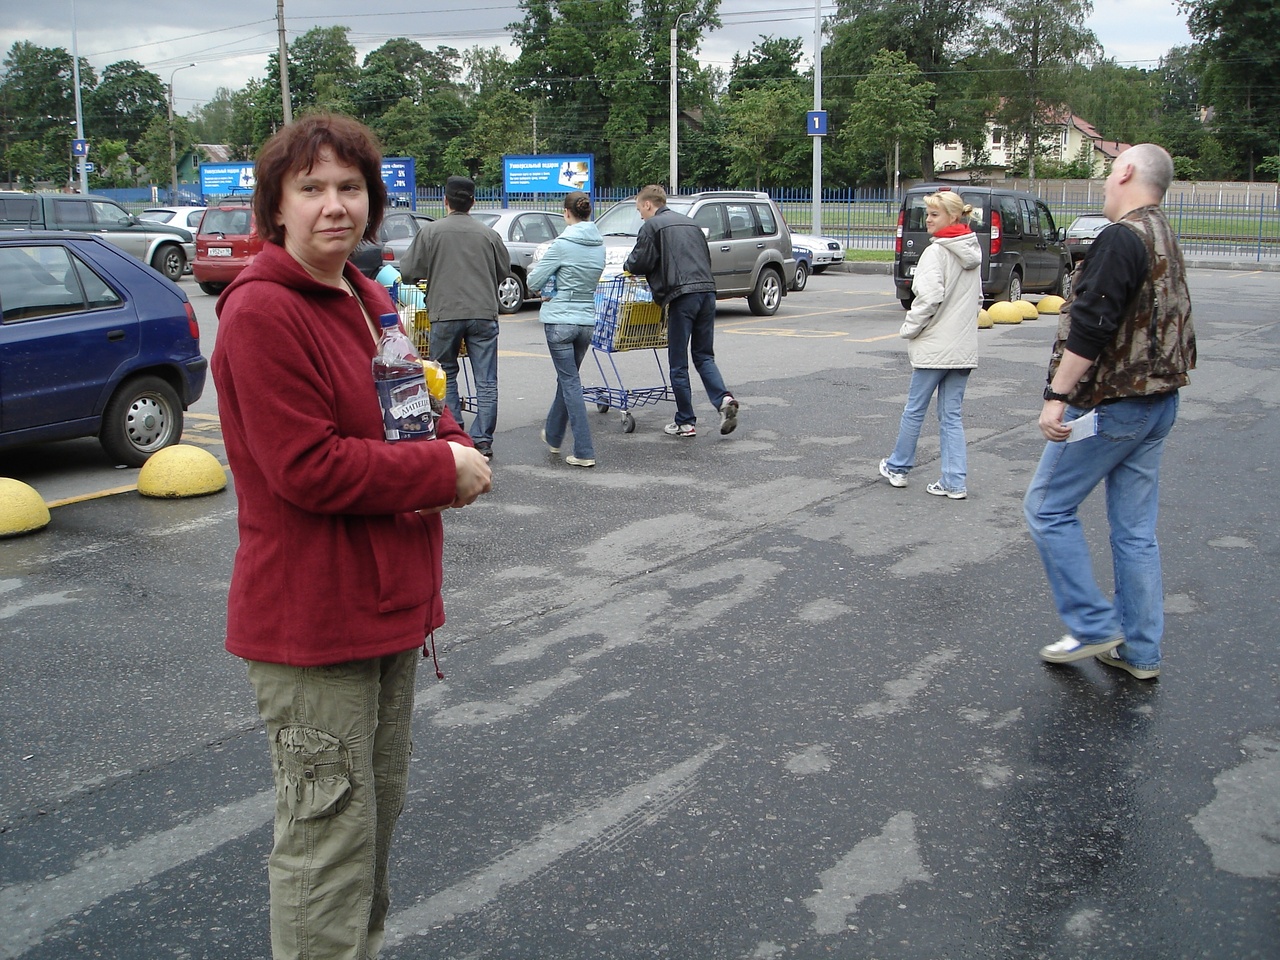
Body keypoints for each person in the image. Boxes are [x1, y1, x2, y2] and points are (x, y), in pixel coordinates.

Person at [210, 113, 492, 960]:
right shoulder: (262, 312)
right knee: (327, 841)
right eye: (311, 189)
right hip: (313, 620)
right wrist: (441, 471)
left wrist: (455, 445)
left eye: (349, 187)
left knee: (372, 824)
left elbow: (418, 405)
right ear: (277, 206)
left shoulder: (368, 298)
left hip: (389, 607)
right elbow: (308, 468)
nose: (334, 205)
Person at [1024, 143, 1196, 680]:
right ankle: (1140, 651)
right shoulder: (1162, 232)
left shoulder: (1122, 237)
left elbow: (1092, 325)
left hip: (1115, 406)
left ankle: (1093, 625)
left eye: (1107, 173)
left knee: (1046, 508)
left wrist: (1057, 397)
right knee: (1135, 532)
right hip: (1158, 403)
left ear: (1126, 172)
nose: (1102, 183)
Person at [878, 190, 981, 499]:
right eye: (928, 214)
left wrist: (909, 328)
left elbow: (929, 298)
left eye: (935, 214)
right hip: (962, 347)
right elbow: (977, 299)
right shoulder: (972, 250)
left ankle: (898, 467)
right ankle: (954, 481)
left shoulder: (935, 252)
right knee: (951, 416)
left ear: (953, 216)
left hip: (935, 346)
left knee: (914, 409)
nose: (928, 219)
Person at [399, 175, 511, 459]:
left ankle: (454, 431)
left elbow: (409, 271)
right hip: (483, 312)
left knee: (446, 372)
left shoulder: (431, 232)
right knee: (486, 379)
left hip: (445, 312)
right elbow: (504, 273)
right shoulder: (488, 235)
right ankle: (482, 439)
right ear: (473, 202)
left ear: (445, 201)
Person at [622, 184, 739, 438]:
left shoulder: (652, 226)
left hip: (681, 296)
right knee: (704, 356)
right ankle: (723, 399)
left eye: (640, 209)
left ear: (648, 204)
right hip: (707, 291)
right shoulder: (691, 224)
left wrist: (627, 265)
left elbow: (638, 261)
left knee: (678, 363)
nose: (640, 215)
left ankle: (685, 421)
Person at [526, 190, 606, 467]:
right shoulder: (599, 245)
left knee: (570, 383)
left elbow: (534, 281)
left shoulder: (561, 245)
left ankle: (584, 450)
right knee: (567, 378)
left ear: (566, 213)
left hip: (560, 320)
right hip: (586, 321)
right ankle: (553, 434)